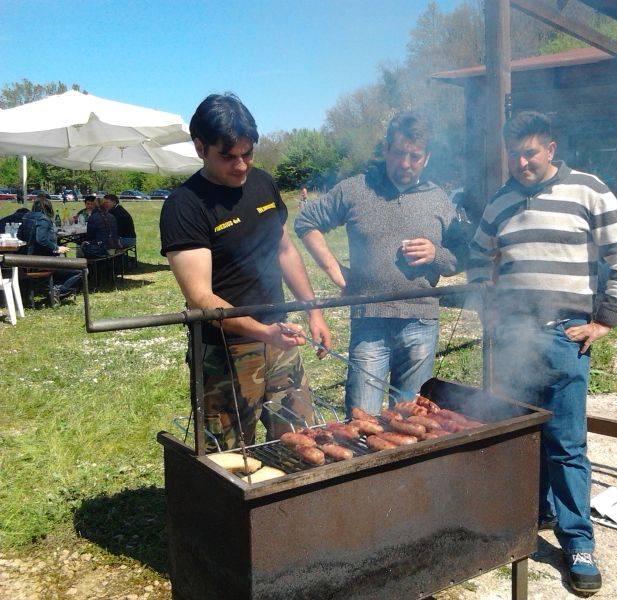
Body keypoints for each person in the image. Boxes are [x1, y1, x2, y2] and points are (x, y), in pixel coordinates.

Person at [467, 111, 617, 593]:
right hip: (514, 338)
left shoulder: (588, 190)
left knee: (566, 443)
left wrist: (605, 321)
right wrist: (490, 312)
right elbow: (478, 256)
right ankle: (533, 513)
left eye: (530, 152)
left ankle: (578, 542)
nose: (521, 162)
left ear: (550, 148)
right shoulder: (501, 200)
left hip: (565, 335)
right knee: (522, 434)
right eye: (514, 154)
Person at [160, 93, 331, 452]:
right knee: (231, 455)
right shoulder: (185, 205)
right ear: (200, 148)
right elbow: (200, 297)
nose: (241, 166)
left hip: (280, 336)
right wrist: (262, 332)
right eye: (228, 156)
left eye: (248, 154)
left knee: (301, 439)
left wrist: (313, 311)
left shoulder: (263, 183)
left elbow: (284, 250)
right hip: (226, 350)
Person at [294, 113, 463, 417]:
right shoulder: (356, 189)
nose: (406, 163)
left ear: (426, 158)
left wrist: (435, 254)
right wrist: (336, 272)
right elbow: (306, 222)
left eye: (415, 156)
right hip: (370, 320)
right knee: (363, 418)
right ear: (386, 149)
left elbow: (460, 257)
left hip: (421, 322)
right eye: (399, 153)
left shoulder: (438, 199)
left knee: (412, 420)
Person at [18, 194, 82, 304]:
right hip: (43, 261)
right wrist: (56, 248)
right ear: (48, 207)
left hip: (27, 260)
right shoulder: (43, 219)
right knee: (80, 270)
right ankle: (56, 290)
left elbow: (20, 236)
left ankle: (52, 289)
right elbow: (41, 239)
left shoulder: (26, 217)